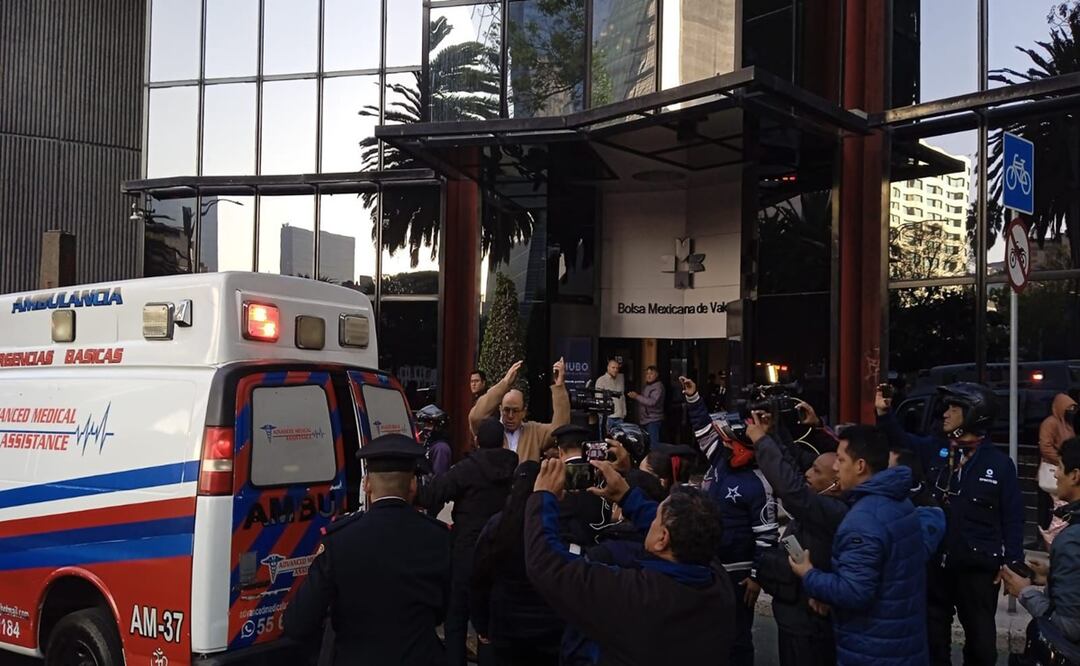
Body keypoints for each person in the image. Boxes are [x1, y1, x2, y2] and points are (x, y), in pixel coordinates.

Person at [525, 456, 735, 665]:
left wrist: (543, 497)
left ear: (662, 539)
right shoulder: (718, 582)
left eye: (656, 519)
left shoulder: (636, 595)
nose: (651, 521)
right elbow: (686, 528)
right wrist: (626, 496)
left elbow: (547, 564)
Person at [877, 382, 1024, 666]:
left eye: (954, 408)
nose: (945, 413)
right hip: (936, 567)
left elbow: (1013, 518)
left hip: (978, 572)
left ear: (973, 413)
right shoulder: (935, 449)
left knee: (981, 648)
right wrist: (885, 414)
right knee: (933, 643)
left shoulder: (1000, 464)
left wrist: (1013, 563)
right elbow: (902, 440)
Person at [284, 434, 451, 666]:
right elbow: (445, 609)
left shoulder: (339, 540)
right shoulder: (439, 537)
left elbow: (297, 623)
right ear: (413, 484)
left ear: (367, 484)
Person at [788, 425, 930, 666]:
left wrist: (809, 574)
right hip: (902, 643)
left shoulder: (864, 520)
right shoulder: (899, 502)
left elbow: (854, 592)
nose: (835, 466)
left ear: (861, 466)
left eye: (841, 460)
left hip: (873, 650)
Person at [683, 376, 778, 666]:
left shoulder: (759, 483)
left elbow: (768, 536)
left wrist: (756, 577)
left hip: (739, 575)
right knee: (707, 634)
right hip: (708, 565)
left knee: (737, 637)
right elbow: (702, 430)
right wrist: (693, 398)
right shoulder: (719, 461)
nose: (718, 440)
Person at [418, 418, 519, 666]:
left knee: (457, 618)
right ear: (503, 441)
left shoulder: (467, 468)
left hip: (467, 551)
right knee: (491, 622)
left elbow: (433, 494)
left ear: (476, 441)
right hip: (500, 552)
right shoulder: (514, 468)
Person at [748, 414, 843, 666]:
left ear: (835, 484)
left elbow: (790, 489)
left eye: (816, 470)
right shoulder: (818, 505)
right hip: (793, 611)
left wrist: (761, 442)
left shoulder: (832, 510)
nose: (808, 473)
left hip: (808, 621)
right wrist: (774, 433)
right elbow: (791, 468)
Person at [472, 462, 564, 666]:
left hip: (506, 625)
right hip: (551, 627)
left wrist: (481, 623)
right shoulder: (554, 525)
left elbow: (479, 576)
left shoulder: (498, 525)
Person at [1003, 437, 1080, 650]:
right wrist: (1049, 576)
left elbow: (1070, 626)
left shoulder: (1071, 540)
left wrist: (1025, 592)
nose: (1055, 473)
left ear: (1075, 476)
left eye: (1060, 467)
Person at [469, 358, 570, 462]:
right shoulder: (491, 432)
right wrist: (505, 383)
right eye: (506, 410)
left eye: (515, 411)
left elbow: (560, 430)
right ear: (500, 409)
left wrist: (559, 387)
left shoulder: (534, 432)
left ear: (524, 412)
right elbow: (476, 417)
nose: (510, 416)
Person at [1038, 394, 1077, 545]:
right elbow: (1045, 446)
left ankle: (1053, 538)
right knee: (1063, 508)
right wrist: (1063, 461)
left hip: (1065, 470)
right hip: (1058, 470)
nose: (1071, 411)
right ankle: (1052, 538)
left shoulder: (1067, 424)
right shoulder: (1051, 423)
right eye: (1069, 408)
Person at [627, 366, 665, 444]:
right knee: (646, 444)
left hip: (653, 420)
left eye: (651, 373)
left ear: (656, 375)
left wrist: (636, 396)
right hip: (645, 420)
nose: (648, 375)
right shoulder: (648, 385)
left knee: (653, 445)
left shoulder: (658, 387)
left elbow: (652, 402)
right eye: (647, 373)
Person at [416, 403, 453, 476]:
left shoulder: (441, 448)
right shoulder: (430, 444)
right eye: (424, 424)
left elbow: (438, 478)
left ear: (438, 426)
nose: (425, 428)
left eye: (429, 424)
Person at [594, 358, 627, 435]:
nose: (615, 370)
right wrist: (602, 415)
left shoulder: (620, 379)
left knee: (619, 440)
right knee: (605, 441)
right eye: (613, 368)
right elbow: (598, 399)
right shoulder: (601, 380)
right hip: (607, 417)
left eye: (617, 368)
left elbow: (622, 397)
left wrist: (624, 412)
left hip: (619, 416)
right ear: (608, 368)